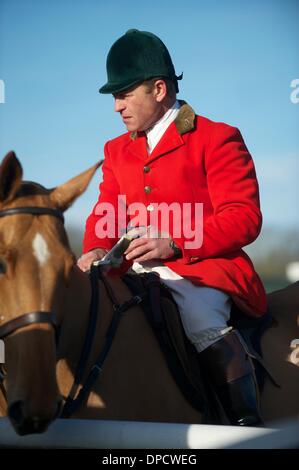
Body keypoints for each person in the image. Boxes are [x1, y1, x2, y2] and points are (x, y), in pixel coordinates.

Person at [77, 29, 267, 426]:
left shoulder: (216, 138)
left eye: (124, 94)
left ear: (159, 89)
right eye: (115, 97)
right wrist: (95, 247)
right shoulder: (116, 149)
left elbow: (244, 218)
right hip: (135, 269)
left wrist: (176, 244)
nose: (117, 107)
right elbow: (106, 209)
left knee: (201, 320)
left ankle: (244, 426)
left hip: (203, 271)